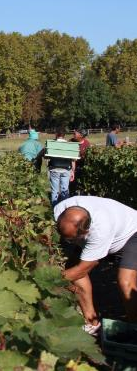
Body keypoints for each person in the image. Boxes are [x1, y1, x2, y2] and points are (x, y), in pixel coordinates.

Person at [54, 196, 137, 335]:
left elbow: (81, 270)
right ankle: (91, 323)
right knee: (72, 270)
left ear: (86, 232)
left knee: (126, 281)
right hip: (110, 227)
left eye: (71, 239)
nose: (68, 242)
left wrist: (47, 280)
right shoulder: (59, 209)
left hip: (132, 232)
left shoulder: (100, 230)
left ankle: (134, 327)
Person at [46, 129, 76, 206]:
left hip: (55, 169)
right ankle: (64, 208)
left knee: (55, 190)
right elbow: (73, 159)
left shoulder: (52, 144)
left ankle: (55, 208)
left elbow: (47, 157)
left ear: (56, 134)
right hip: (66, 169)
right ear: (64, 135)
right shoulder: (69, 145)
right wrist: (73, 171)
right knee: (65, 190)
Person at [70, 129, 91, 194]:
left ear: (81, 136)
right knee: (72, 185)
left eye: (75, 133)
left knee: (82, 185)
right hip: (71, 168)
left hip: (82, 167)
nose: (74, 134)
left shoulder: (87, 143)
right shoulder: (71, 141)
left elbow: (88, 156)